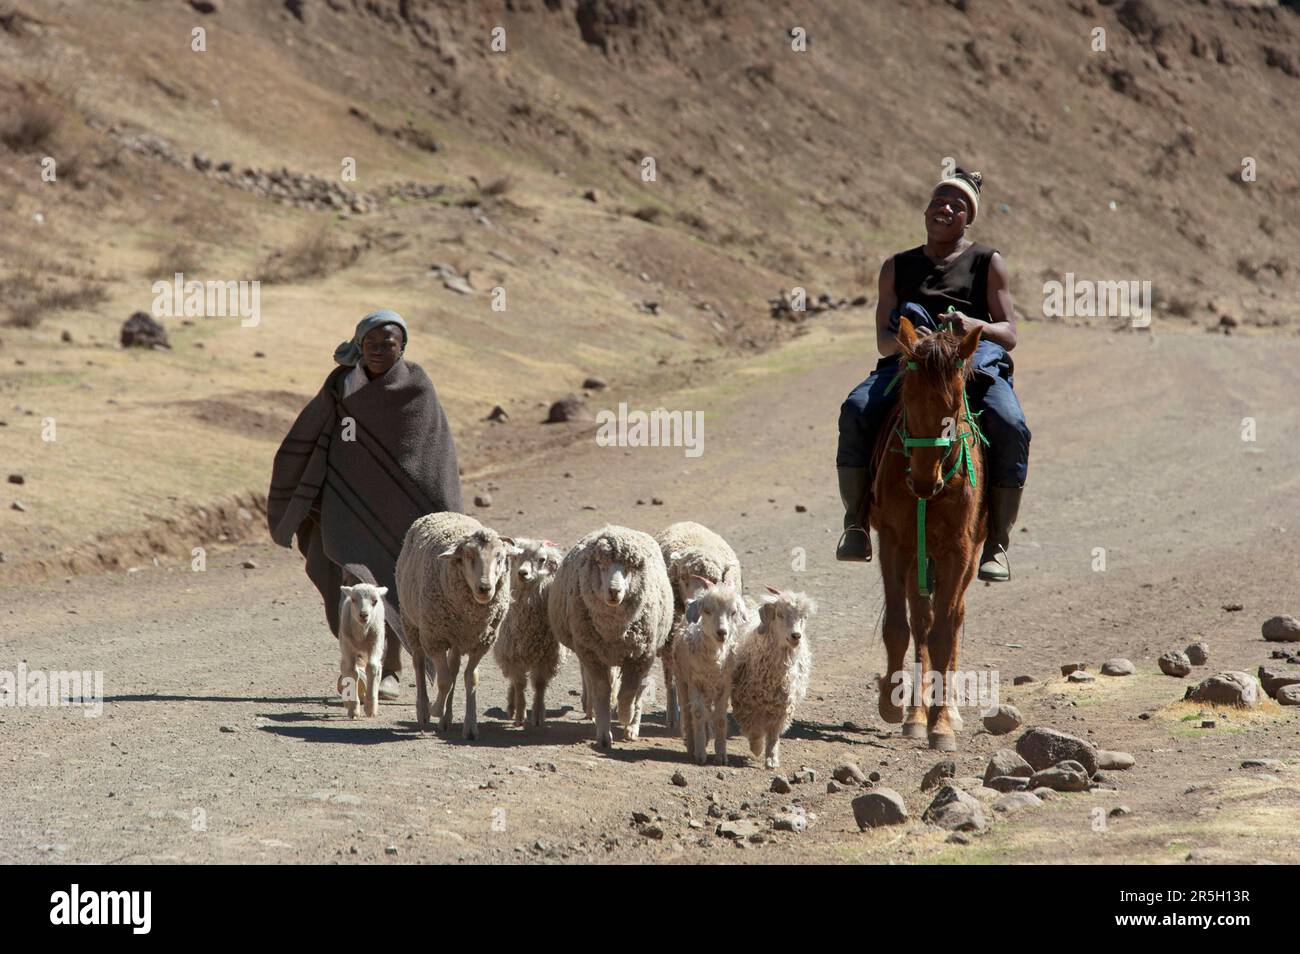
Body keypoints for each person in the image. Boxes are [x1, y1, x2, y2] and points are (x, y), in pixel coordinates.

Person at [835, 169, 1030, 581]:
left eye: (958, 206)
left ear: (968, 219)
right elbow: (884, 341)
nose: (946, 208)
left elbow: (1009, 332)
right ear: (925, 210)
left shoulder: (987, 262)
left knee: (1011, 425)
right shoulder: (896, 266)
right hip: (908, 368)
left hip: (972, 368)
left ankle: (995, 541)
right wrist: (914, 344)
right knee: (855, 410)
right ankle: (855, 522)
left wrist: (971, 324)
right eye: (939, 201)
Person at [268, 310, 463, 700]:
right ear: (360, 345)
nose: (378, 351)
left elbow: (431, 453)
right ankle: (357, 665)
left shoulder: (417, 387)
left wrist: (443, 515)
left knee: (391, 588)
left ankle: (390, 670)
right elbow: (314, 432)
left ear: (402, 346)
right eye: (371, 344)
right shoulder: (344, 384)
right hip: (345, 503)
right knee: (352, 585)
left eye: (387, 344)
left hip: (402, 511)